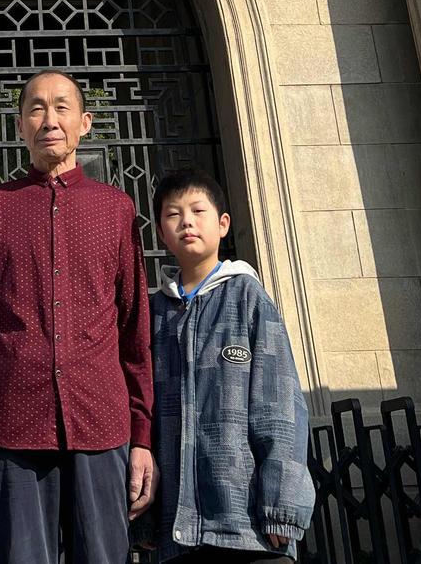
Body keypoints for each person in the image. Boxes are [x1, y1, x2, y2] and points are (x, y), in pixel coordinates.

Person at [0, 69, 156, 564]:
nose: (49, 120)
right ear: (21, 124)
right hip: (12, 423)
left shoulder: (115, 209)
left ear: (84, 122)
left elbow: (135, 331)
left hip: (100, 421)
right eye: (37, 108)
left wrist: (142, 437)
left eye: (62, 107)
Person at [147, 166, 314, 561]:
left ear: (223, 224)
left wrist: (281, 506)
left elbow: (280, 405)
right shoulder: (155, 313)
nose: (186, 222)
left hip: (250, 526)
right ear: (161, 233)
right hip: (178, 532)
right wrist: (146, 520)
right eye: (173, 214)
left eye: (197, 211)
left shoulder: (248, 298)